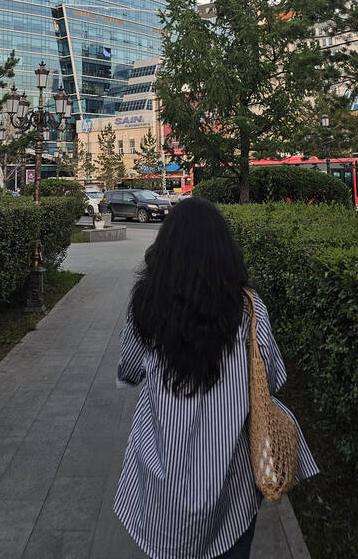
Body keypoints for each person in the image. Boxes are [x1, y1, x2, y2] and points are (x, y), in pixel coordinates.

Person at [114, 197, 318, 559]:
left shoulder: (147, 303)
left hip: (162, 483)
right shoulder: (249, 308)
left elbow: (128, 370)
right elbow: (270, 378)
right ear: (224, 251)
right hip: (231, 487)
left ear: (165, 248)